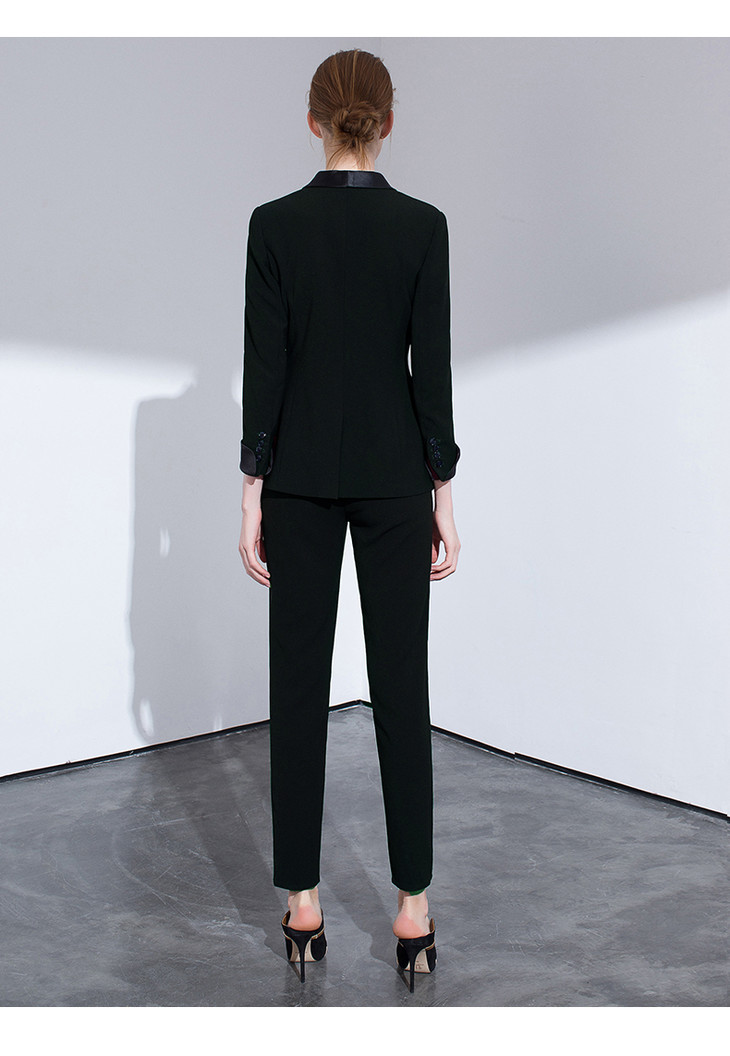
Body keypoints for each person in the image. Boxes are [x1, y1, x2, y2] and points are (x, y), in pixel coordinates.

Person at [237, 48, 461, 990]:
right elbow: (429, 371)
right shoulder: (423, 228)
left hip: (297, 482)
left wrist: (253, 488)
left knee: (297, 690)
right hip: (396, 479)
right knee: (402, 688)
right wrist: (442, 487)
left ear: (314, 121)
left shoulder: (274, 226)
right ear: (389, 123)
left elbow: (266, 366)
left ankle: (303, 904)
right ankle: (413, 910)